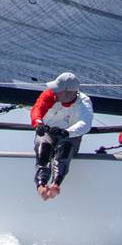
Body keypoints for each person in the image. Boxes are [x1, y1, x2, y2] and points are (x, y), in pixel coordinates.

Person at [29, 71, 91, 200]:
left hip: (69, 136)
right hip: (48, 132)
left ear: (69, 93)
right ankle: (41, 185)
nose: (54, 92)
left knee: (64, 150)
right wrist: (38, 123)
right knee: (43, 147)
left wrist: (67, 132)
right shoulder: (49, 94)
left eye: (58, 90)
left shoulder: (84, 102)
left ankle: (56, 184)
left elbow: (85, 123)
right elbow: (37, 108)